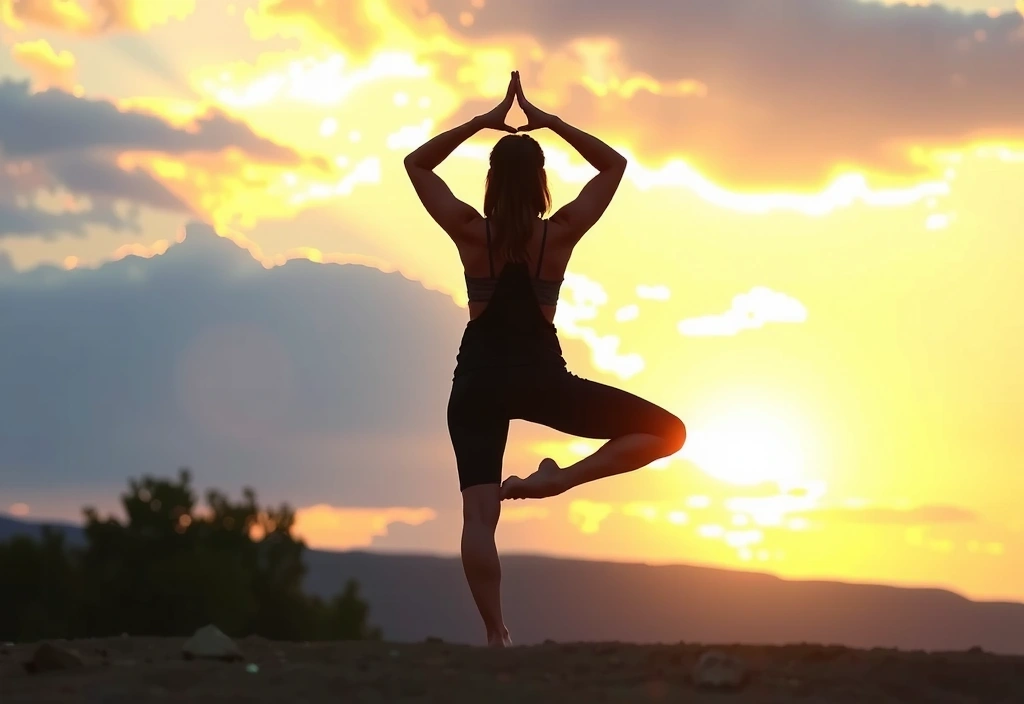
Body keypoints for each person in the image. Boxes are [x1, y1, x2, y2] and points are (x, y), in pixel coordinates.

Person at [404, 71, 686, 647]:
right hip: (540, 381)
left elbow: (417, 165)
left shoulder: (467, 231)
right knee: (668, 432)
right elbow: (613, 168)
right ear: (540, 184)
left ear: (489, 183)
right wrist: (551, 123)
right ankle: (561, 482)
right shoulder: (555, 237)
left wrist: (481, 123)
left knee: (478, 519)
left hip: (477, 381)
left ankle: (496, 636)